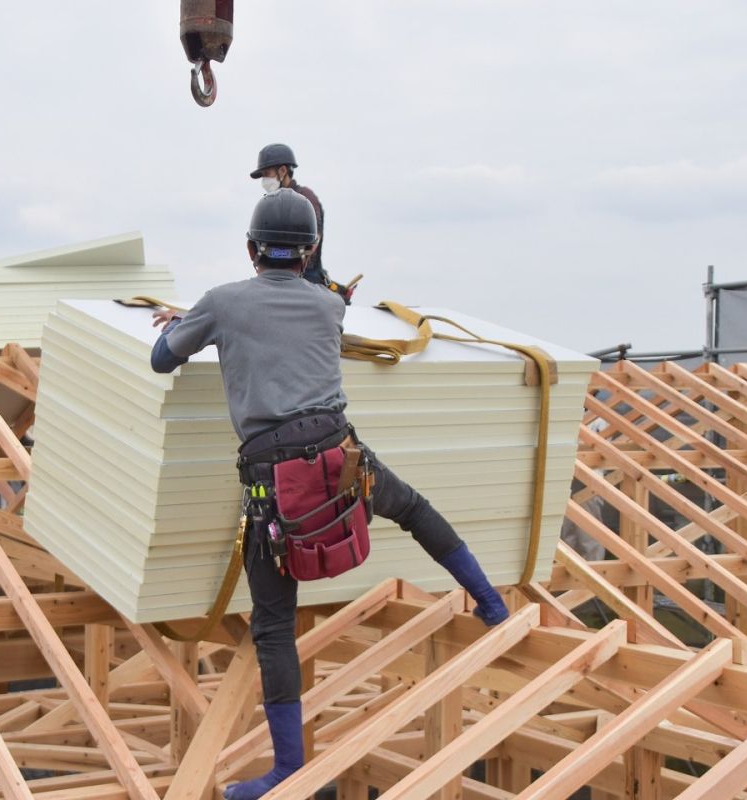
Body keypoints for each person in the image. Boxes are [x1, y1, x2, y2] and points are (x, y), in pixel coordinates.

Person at [150, 189, 508, 800]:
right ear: (311, 249)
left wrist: (186, 324)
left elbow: (163, 358)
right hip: (342, 459)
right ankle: (490, 602)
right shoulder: (327, 307)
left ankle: (288, 767)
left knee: (272, 624)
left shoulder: (223, 303)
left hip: (275, 481)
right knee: (414, 510)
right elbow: (308, 310)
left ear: (249, 248)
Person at [250, 143, 352, 302]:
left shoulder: (306, 199)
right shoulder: (271, 201)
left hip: (305, 279)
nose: (264, 180)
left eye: (266, 173)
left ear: (283, 171)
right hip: (275, 278)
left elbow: (314, 241)